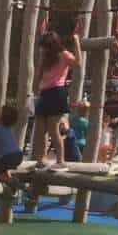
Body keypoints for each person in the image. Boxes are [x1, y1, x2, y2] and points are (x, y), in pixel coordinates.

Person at [32, 30, 81, 168]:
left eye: (46, 47)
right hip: (44, 93)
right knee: (40, 129)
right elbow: (39, 74)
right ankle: (42, 159)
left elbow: (78, 64)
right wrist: (36, 90)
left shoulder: (64, 54)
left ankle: (60, 160)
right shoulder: (46, 57)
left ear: (53, 45)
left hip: (57, 92)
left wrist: (77, 42)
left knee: (53, 129)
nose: (44, 50)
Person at [0, 104, 24, 176]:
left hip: (7, 158)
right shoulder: (10, 129)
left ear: (1, 117)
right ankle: (9, 177)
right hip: (18, 155)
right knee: (4, 167)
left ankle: (10, 180)